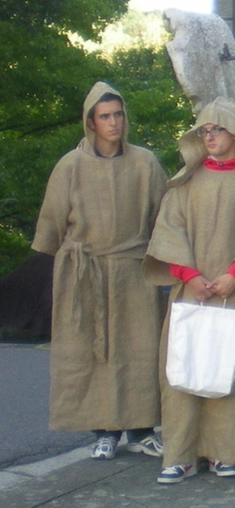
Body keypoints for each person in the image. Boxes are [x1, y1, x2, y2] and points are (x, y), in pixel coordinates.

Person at [144, 98, 235, 483]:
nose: (209, 136)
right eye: (204, 130)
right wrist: (188, 274)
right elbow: (168, 232)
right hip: (194, 294)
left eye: (216, 129)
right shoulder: (185, 182)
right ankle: (181, 454)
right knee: (184, 373)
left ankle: (229, 451)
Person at [32, 82, 168, 460]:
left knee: (140, 351)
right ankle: (104, 431)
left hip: (133, 271)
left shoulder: (145, 163)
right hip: (84, 272)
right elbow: (51, 227)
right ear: (90, 122)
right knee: (92, 355)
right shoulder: (70, 166)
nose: (113, 122)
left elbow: (165, 218)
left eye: (118, 114)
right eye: (104, 116)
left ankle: (142, 429)